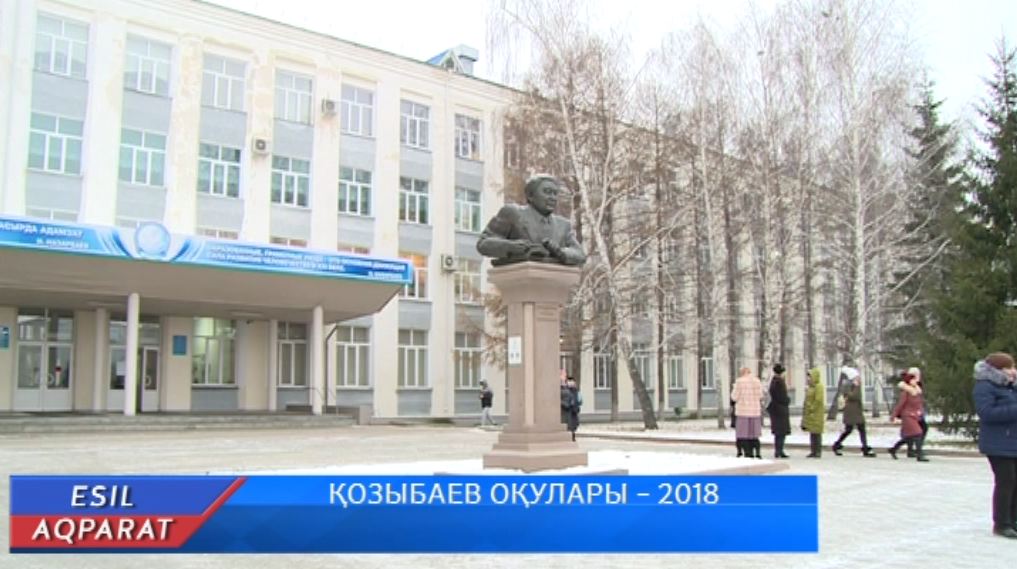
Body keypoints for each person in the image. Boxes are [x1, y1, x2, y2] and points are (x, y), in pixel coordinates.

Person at [476, 175, 586, 266]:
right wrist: (511, 246)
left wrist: (560, 252)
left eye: (555, 193)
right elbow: (483, 243)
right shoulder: (512, 213)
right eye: (547, 192)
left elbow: (580, 255)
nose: (552, 197)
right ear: (530, 196)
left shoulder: (563, 225)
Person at [972, 352, 1017, 539]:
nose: (1013, 371)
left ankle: (1013, 520)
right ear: (997, 370)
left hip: (1013, 442)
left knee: (1015, 482)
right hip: (998, 444)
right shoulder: (985, 387)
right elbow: (987, 413)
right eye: (1009, 368)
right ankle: (1002, 523)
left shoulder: (1010, 387)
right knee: (1006, 482)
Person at [831, 367, 876, 457]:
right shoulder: (850, 385)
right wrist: (856, 387)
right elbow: (855, 396)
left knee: (854, 429)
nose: (859, 379)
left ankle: (838, 445)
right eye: (857, 377)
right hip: (852, 412)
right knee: (855, 429)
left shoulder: (853, 385)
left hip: (855, 411)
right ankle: (864, 448)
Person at [889, 369, 929, 462]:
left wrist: (920, 412)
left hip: (915, 415)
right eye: (913, 380)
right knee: (918, 433)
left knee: (909, 437)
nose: (915, 381)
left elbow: (919, 404)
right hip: (907, 416)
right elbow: (900, 405)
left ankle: (893, 449)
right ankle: (920, 455)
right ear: (909, 381)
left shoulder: (916, 391)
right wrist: (893, 416)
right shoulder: (906, 392)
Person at [731, 367, 765, 459]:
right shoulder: (757, 381)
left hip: (743, 412)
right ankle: (757, 452)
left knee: (743, 434)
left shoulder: (739, 382)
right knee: (754, 434)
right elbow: (760, 395)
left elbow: (734, 397)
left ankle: (747, 453)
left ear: (742, 372)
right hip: (755, 412)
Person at [768, 363, 792, 459]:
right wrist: (787, 400)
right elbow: (782, 396)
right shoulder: (779, 382)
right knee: (781, 432)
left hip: (775, 408)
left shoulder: (773, 381)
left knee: (778, 432)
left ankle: (778, 450)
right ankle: (779, 450)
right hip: (781, 409)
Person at [802, 367, 826, 458]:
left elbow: (818, 400)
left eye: (810, 376)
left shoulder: (819, 386)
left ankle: (818, 451)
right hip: (810, 413)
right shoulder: (810, 387)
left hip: (816, 413)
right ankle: (813, 451)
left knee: (817, 432)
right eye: (808, 377)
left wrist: (812, 408)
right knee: (812, 432)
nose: (808, 378)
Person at [566, 377, 581, 441]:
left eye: (572, 381)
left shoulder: (576, 391)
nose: (571, 383)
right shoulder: (567, 390)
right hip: (569, 410)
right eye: (569, 381)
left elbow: (580, 400)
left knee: (574, 424)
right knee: (570, 424)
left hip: (574, 411)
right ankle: (571, 436)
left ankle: (572, 435)